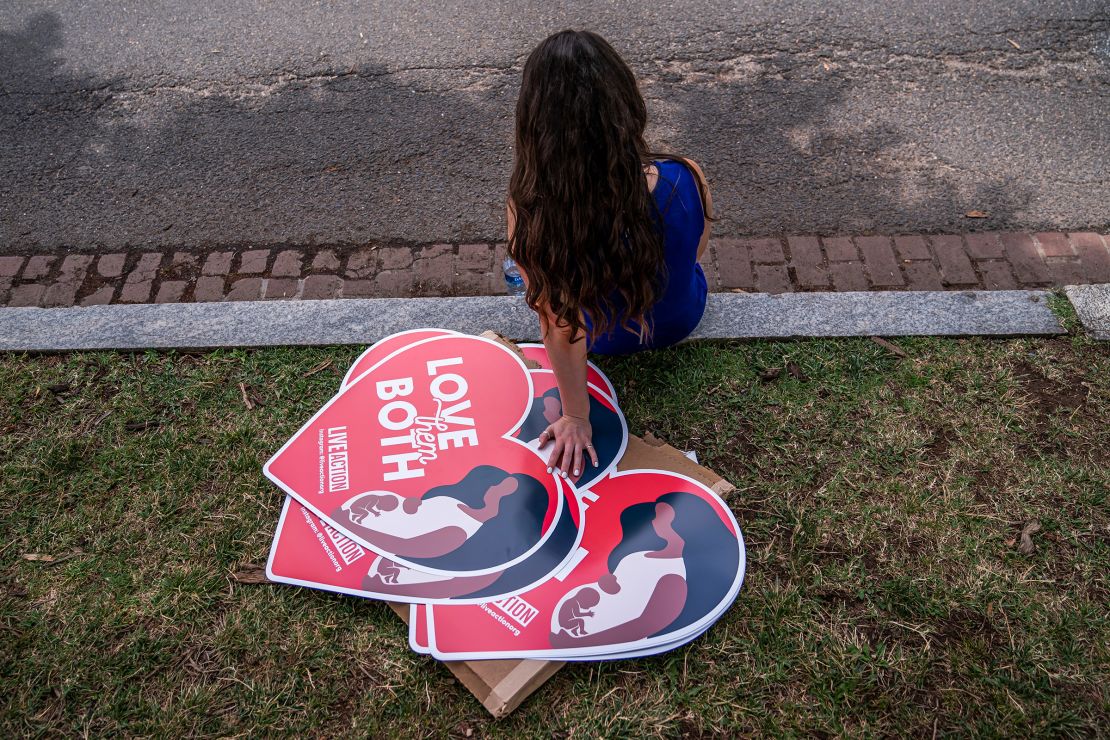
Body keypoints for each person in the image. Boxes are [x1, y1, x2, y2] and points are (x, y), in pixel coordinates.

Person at [506, 30, 714, 481]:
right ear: (626, 103)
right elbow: (694, 254)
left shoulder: (532, 215)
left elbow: (561, 331)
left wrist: (577, 417)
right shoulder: (686, 175)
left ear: (535, 123)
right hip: (683, 317)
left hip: (605, 340)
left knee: (532, 272)